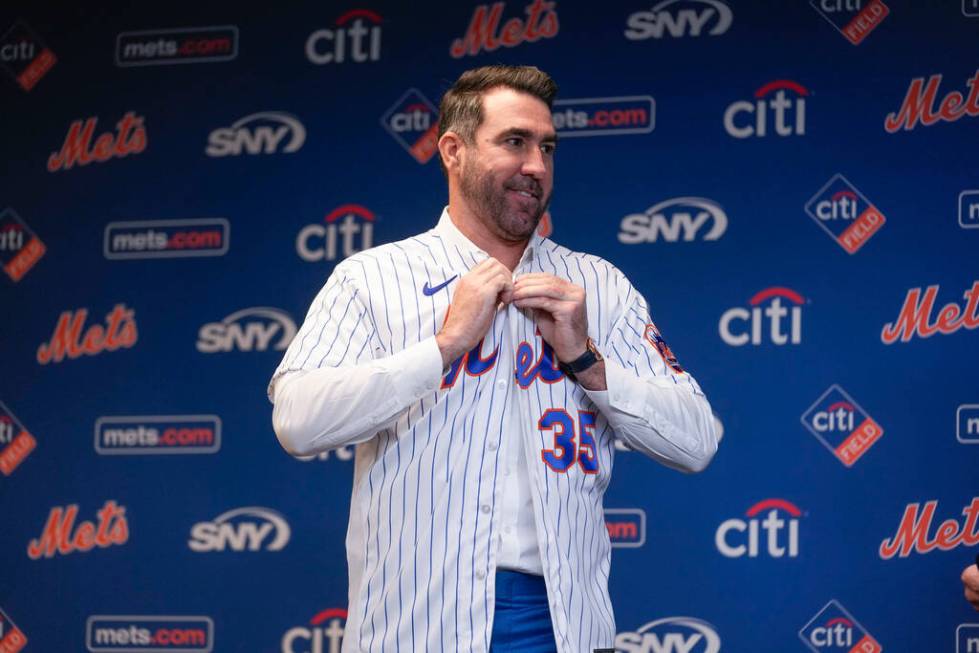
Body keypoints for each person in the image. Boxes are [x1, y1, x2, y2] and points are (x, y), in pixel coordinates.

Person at [269, 65, 719, 653]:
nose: (535, 164)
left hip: (563, 623)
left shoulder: (599, 286)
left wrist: (586, 359)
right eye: (514, 142)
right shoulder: (372, 278)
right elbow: (299, 422)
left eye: (547, 147)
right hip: (418, 626)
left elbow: (697, 439)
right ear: (453, 151)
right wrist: (444, 345)